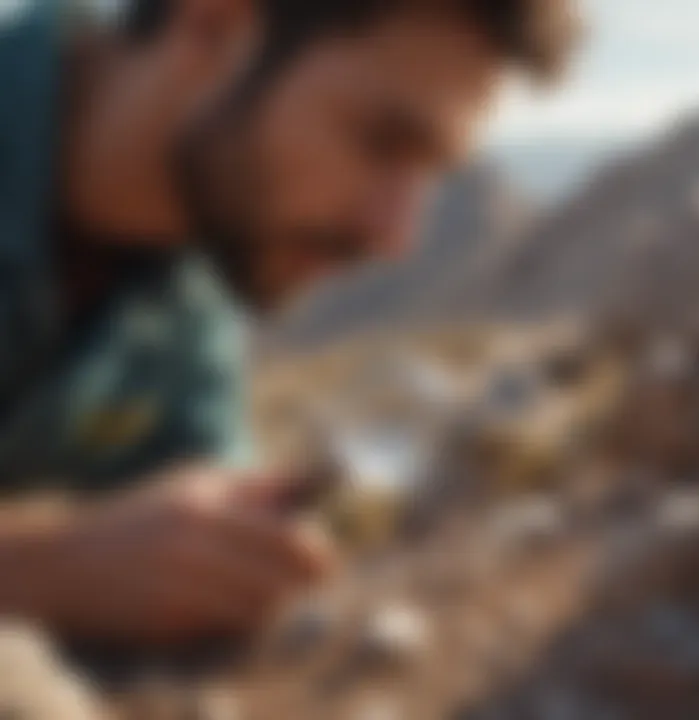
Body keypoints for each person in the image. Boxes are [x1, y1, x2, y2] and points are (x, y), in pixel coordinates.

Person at [0, 0, 578, 647]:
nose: (394, 237)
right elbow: (84, 561)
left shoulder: (191, 296)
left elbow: (198, 495)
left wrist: (229, 544)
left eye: (429, 176)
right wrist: (44, 566)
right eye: (381, 142)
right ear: (212, 24)